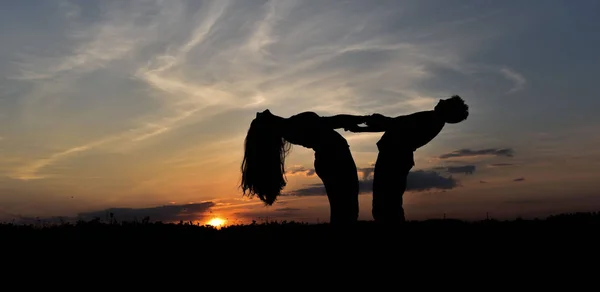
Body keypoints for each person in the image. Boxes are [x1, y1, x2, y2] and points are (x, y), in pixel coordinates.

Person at [346, 95, 469, 224]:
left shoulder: (430, 119)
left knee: (386, 204)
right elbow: (394, 125)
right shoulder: (431, 118)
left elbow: (395, 124)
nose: (441, 100)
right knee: (387, 203)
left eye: (446, 101)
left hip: (394, 159)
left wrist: (373, 122)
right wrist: (362, 128)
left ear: (448, 110)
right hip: (395, 157)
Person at [240, 109, 369, 226]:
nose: (262, 112)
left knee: (344, 211)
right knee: (346, 212)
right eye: (260, 118)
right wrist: (362, 119)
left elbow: (328, 122)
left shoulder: (291, 125)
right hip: (335, 161)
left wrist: (358, 120)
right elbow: (330, 122)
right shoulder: (292, 127)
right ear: (268, 128)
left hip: (333, 161)